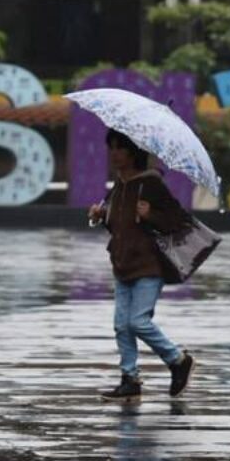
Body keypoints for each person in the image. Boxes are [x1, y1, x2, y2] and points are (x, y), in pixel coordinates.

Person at [88, 129, 195, 402]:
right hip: (123, 262)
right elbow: (119, 226)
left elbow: (178, 220)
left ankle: (178, 360)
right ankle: (130, 380)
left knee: (138, 321)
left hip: (148, 265)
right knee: (121, 326)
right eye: (110, 147)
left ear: (132, 152)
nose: (113, 153)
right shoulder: (120, 185)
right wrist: (101, 215)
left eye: (119, 148)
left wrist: (152, 214)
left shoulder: (151, 184)